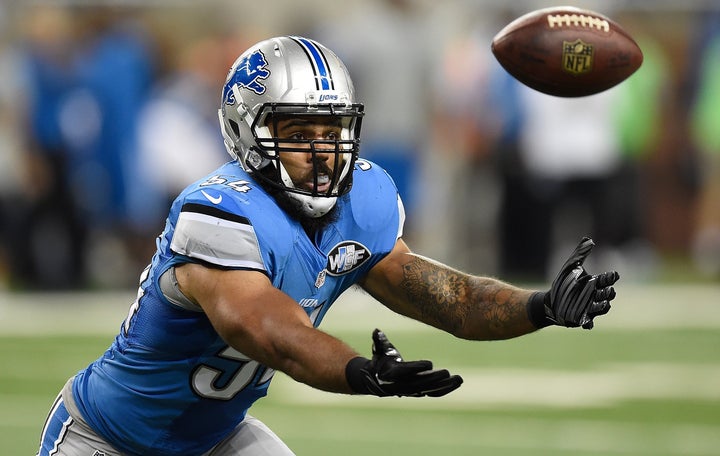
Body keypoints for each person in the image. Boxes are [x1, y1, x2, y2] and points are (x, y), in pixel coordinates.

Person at [36, 36, 619, 456]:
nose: (322, 152)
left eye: (331, 130)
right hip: (108, 440)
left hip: (214, 438)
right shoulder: (218, 211)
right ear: (248, 134)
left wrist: (542, 306)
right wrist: (359, 370)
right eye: (298, 133)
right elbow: (271, 333)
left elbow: (451, 299)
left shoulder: (361, 199)